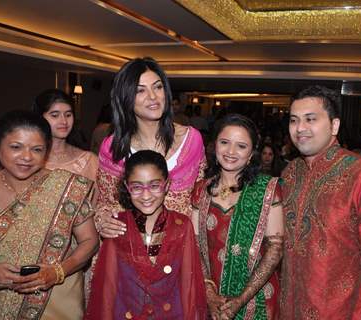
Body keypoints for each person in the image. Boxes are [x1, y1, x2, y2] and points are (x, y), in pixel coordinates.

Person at [280, 85, 361, 319]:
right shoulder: (290, 173)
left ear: (334, 125)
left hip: (340, 310)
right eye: (294, 120)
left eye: (310, 119)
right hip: (290, 307)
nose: (300, 128)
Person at [0, 110, 98, 319]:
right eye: (16, 147)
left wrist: (57, 272)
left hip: (56, 302)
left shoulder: (67, 187)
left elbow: (90, 240)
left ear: (46, 153)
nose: (27, 157)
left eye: (37, 149)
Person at [86, 150, 206, 319]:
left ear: (167, 184)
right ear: (127, 188)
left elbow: (189, 285)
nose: (146, 195)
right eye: (136, 187)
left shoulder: (181, 226)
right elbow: (108, 287)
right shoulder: (117, 225)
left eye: (154, 185)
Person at [95, 57, 206, 238]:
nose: (153, 97)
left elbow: (199, 198)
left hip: (178, 245)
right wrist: (103, 221)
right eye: (140, 91)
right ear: (126, 98)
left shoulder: (191, 140)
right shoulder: (113, 148)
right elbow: (105, 203)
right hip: (130, 247)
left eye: (158, 87)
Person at [192, 114, 284, 320]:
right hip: (211, 297)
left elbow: (275, 249)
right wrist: (209, 293)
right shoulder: (201, 190)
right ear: (214, 146)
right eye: (225, 143)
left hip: (257, 298)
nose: (231, 152)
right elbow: (195, 244)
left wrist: (241, 299)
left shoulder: (268, 189)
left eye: (241, 146)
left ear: (251, 154)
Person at [32, 89, 99, 182]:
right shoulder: (27, 159)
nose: (64, 121)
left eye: (68, 115)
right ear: (40, 118)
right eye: (55, 115)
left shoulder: (87, 160)